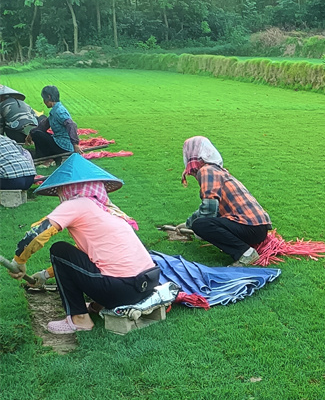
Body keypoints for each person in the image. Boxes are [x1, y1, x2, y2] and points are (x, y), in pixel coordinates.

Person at [9, 155, 159, 335]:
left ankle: (79, 318)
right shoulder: (108, 210)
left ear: (68, 188)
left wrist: (19, 260)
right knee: (85, 258)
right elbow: (88, 256)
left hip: (120, 291)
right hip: (146, 285)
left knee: (59, 250)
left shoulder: (77, 204)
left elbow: (37, 233)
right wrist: (45, 275)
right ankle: (98, 306)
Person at [181, 136, 273, 266]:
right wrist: (187, 223)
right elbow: (215, 209)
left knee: (201, 225)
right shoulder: (216, 170)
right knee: (201, 223)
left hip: (249, 227)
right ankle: (243, 247)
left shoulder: (206, 171)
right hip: (258, 228)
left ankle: (246, 253)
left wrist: (193, 225)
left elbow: (208, 209)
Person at [29, 85, 80, 163]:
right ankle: (46, 156)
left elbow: (71, 124)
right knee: (36, 132)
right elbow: (44, 125)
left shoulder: (59, 111)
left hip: (63, 146)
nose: (43, 101)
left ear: (49, 97)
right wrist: (30, 134)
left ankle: (43, 158)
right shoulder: (55, 110)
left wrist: (75, 144)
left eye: (44, 99)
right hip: (58, 142)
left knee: (37, 134)